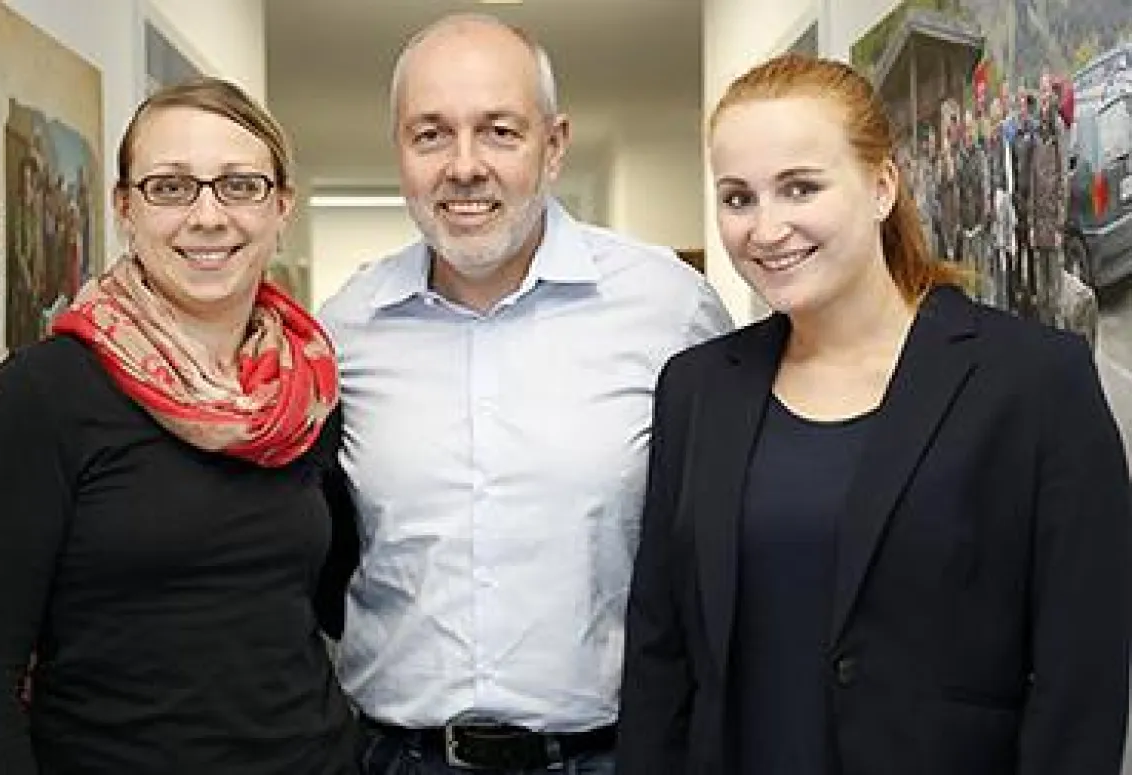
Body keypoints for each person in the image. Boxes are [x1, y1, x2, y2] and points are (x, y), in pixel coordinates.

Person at [617, 53, 1131, 775]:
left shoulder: (1035, 381)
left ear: (883, 185)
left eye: (799, 187)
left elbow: (1082, 681)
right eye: (739, 198)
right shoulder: (697, 389)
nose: (766, 229)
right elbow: (659, 658)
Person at [317, 13, 732, 775]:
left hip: (611, 757)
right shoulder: (343, 330)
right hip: (392, 757)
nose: (465, 166)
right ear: (400, 153)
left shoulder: (671, 310)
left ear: (555, 145)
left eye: (500, 131)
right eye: (431, 134)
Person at [0, 76, 360, 774]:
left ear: (282, 206)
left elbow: (314, 607)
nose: (207, 215)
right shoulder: (43, 396)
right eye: (170, 186)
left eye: (239, 185)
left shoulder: (306, 389)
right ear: (124, 208)